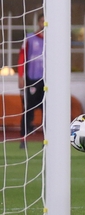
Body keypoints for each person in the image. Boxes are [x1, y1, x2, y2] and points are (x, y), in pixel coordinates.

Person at [17, 14, 45, 148]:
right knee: (28, 110)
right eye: (41, 21)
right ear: (38, 22)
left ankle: (47, 140)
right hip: (32, 79)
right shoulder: (29, 38)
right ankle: (23, 139)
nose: (43, 24)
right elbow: (22, 57)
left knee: (48, 111)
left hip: (47, 82)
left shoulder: (53, 40)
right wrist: (20, 76)